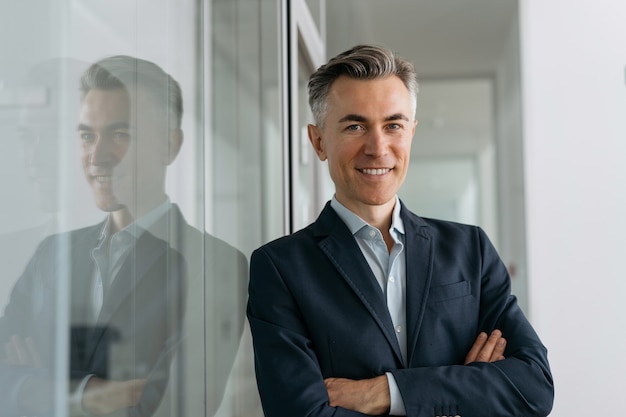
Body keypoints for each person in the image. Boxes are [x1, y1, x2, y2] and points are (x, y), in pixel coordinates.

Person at [247, 45, 554, 417]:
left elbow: (534, 388)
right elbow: (300, 413)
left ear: (411, 132)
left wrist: (387, 392)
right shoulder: (280, 268)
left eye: (393, 125)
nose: (378, 148)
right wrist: (463, 391)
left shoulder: (469, 249)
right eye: (355, 126)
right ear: (318, 141)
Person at [0, 56, 247, 416]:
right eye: (87, 135)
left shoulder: (214, 265)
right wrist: (89, 394)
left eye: (119, 134)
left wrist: (39, 383)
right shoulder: (51, 253)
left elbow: (174, 407)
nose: (97, 156)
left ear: (170, 145)